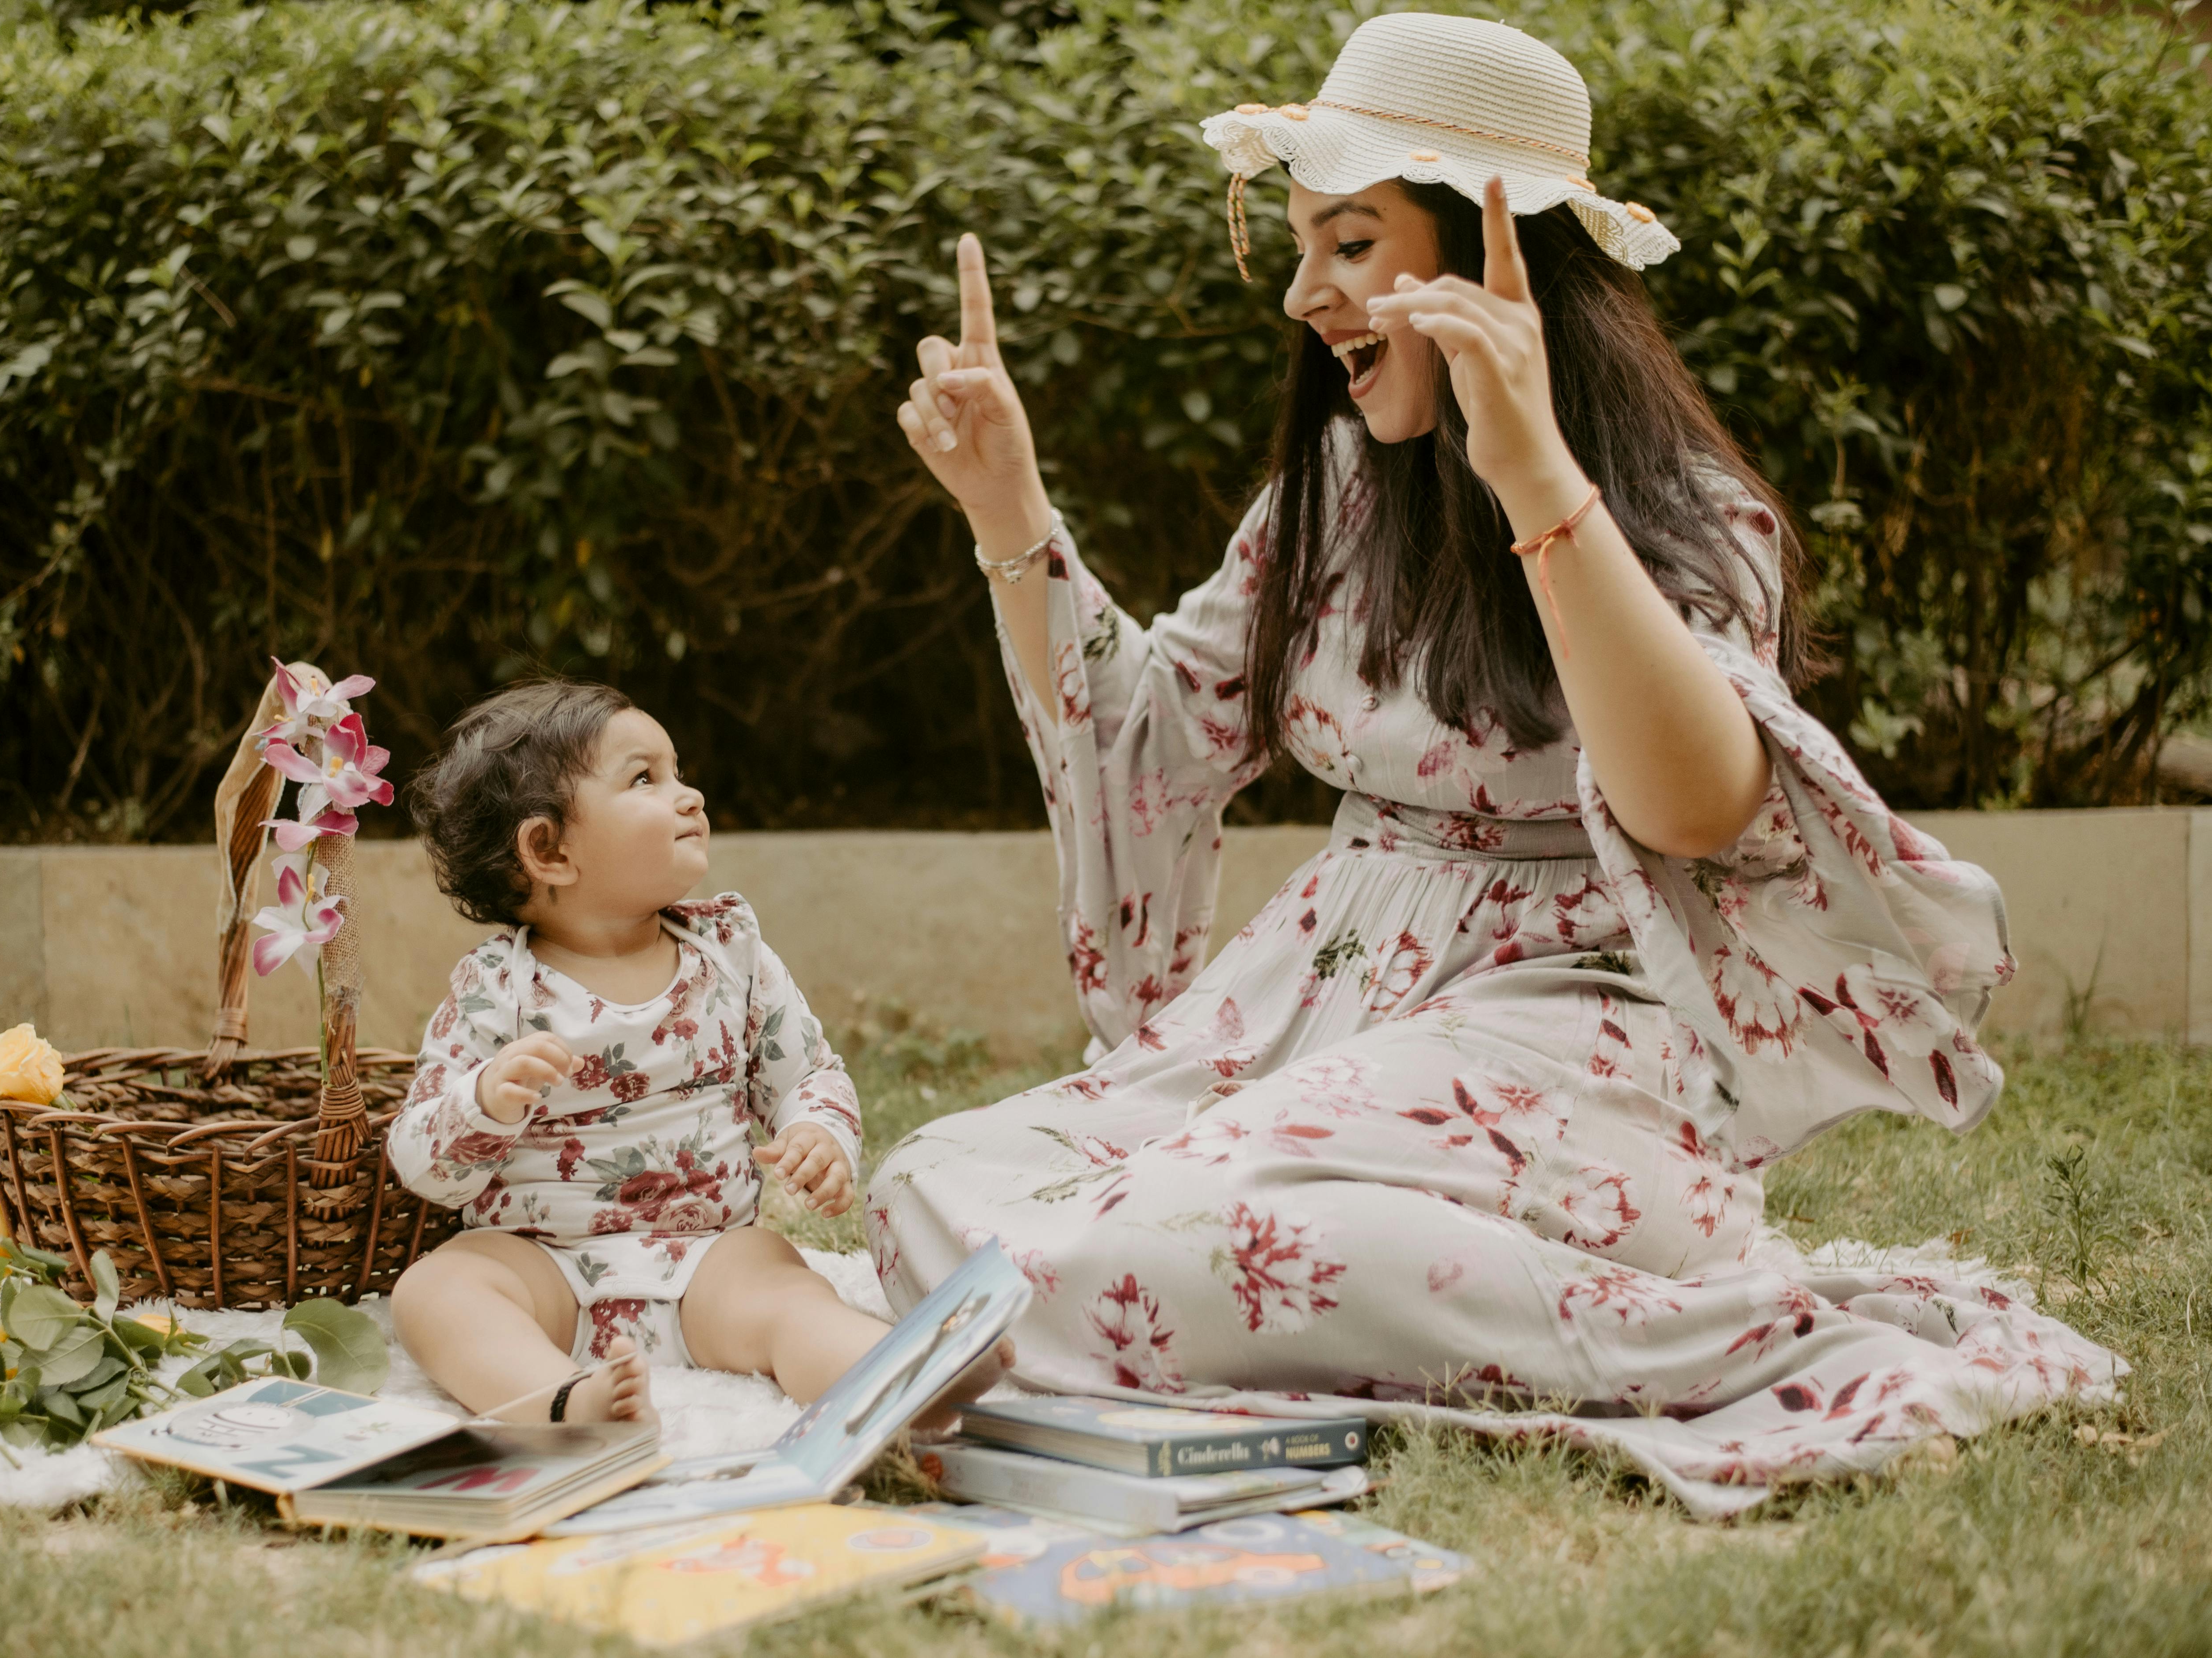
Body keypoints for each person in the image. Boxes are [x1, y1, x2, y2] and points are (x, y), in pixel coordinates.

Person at [870, 11, 2117, 1510]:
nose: (1297, 292)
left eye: (1345, 243)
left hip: (1574, 1019)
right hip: (1322, 1002)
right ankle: (1316, 1287)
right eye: (1297, 243)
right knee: (927, 1187)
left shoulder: (1693, 516)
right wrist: (1011, 510)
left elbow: (1695, 809)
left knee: (1155, 1239)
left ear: (1486, 253)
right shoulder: (1334, 493)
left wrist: (1530, 474)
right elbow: (1146, 748)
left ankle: (1692, 1322)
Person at [386, 680, 1008, 1426]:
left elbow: (808, 1072)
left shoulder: (730, 953)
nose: (690, 795)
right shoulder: (496, 988)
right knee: (436, 1291)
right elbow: (423, 1165)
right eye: (646, 778)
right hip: (543, 1263)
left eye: (677, 770)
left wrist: (817, 1131)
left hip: (709, 1259)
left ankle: (902, 1373)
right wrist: (480, 1101)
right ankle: (560, 1403)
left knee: (786, 1290)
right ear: (549, 849)